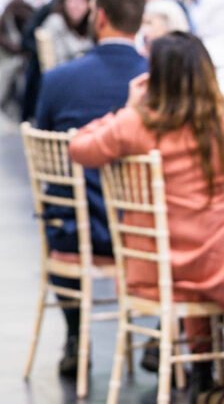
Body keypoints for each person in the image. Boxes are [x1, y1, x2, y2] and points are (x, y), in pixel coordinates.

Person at [68, 31, 224, 397]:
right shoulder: (218, 122)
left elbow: (80, 147)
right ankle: (206, 375)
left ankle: (202, 377)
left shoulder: (137, 124)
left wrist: (128, 106)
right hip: (214, 265)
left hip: (156, 266)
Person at [33, 0, 148, 376]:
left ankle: (75, 335)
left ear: (99, 18)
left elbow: (47, 144)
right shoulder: (158, 83)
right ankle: (160, 336)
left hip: (76, 230)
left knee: (60, 202)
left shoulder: (59, 80)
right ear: (142, 21)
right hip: (145, 237)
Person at [37, 0, 92, 68]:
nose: (76, 5)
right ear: (64, 3)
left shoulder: (91, 23)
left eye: (81, 0)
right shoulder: (55, 22)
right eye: (72, 0)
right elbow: (56, 62)